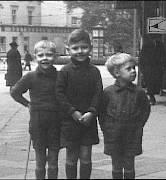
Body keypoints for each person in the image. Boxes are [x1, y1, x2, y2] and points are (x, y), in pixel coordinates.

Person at [55, 29, 103, 179]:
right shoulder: (65, 71)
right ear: (68, 49)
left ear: (90, 47)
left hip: (88, 120)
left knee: (86, 156)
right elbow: (59, 94)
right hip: (70, 121)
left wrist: (92, 111)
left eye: (84, 47)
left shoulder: (94, 71)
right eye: (75, 48)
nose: (80, 51)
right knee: (71, 155)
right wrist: (72, 112)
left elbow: (98, 93)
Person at [10, 40, 61, 179]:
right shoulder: (30, 77)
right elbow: (15, 92)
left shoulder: (61, 76)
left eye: (49, 55)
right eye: (41, 55)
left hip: (56, 122)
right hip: (37, 122)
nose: (45, 58)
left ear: (55, 57)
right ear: (35, 56)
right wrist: (28, 104)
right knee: (40, 162)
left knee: (53, 162)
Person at [99, 53, 151, 179]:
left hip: (132, 133)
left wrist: (138, 125)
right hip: (114, 134)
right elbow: (101, 113)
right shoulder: (108, 93)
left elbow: (145, 109)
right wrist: (107, 128)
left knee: (129, 163)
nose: (133, 71)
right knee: (116, 164)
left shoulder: (139, 92)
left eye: (134, 68)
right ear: (117, 73)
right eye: (128, 69)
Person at [139, 35, 166, 105]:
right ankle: (151, 97)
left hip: (157, 67)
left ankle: (154, 93)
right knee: (149, 82)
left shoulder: (160, 45)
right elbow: (142, 57)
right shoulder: (146, 45)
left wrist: (163, 65)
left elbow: (164, 55)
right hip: (148, 67)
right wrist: (142, 68)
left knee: (156, 82)